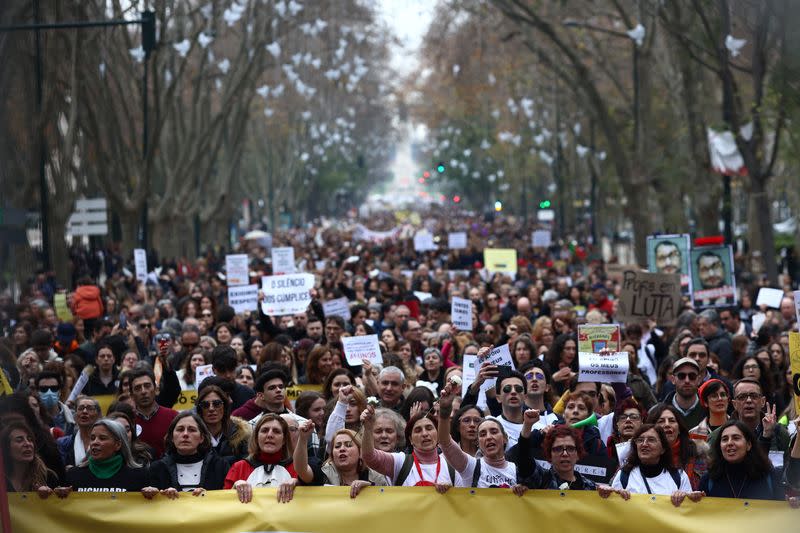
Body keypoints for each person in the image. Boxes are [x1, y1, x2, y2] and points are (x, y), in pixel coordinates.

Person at [437, 381, 519, 488]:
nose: (489, 437)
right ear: (478, 442)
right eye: (483, 434)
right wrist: (444, 411)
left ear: (505, 438)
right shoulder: (472, 467)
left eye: (494, 432)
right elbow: (445, 442)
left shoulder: (519, 469)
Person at [224, 414, 312, 503]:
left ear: (284, 440)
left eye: (276, 431)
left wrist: (298, 484)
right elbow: (224, 505)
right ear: (256, 437)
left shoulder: (298, 467)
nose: (270, 435)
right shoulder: (239, 467)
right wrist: (234, 487)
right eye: (264, 430)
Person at [361, 405, 456, 488]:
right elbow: (370, 457)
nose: (424, 434)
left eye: (429, 428)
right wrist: (368, 428)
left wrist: (450, 492)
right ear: (410, 439)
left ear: (438, 434)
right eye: (418, 430)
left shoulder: (453, 466)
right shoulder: (400, 462)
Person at [605, 424, 698, 505]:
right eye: (640, 440)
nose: (644, 444)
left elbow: (688, 512)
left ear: (663, 449)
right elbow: (613, 509)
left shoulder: (679, 476)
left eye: (651, 440)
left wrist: (684, 498)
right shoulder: (624, 475)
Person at [145, 412, 230, 497]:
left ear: (201, 438)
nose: (185, 434)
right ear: (171, 437)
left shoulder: (220, 466)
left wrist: (207, 496)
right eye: (180, 429)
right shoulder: (157, 468)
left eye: (192, 430)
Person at [56, 419, 149, 494]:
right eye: (92, 438)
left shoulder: (139, 476)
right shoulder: (73, 475)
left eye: (102, 438)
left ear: (117, 445)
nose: (95, 442)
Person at [699, 420, 785, 500]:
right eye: (725, 439)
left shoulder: (769, 476)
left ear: (748, 445)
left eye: (736, 438)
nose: (729, 443)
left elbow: (782, 511)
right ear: (720, 446)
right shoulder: (708, 480)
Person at [516, 419, 598, 491]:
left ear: (578, 453)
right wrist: (527, 425)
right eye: (558, 449)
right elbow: (524, 460)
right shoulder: (543, 479)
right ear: (549, 454)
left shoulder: (590, 487)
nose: (565, 454)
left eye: (570, 448)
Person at [309, 428, 388, 497]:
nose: (342, 449)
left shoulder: (376, 477)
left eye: (348, 445)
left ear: (360, 452)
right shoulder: (322, 474)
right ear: (332, 455)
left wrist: (369, 488)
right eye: (337, 446)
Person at [647, 404, 707, 490]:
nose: (667, 425)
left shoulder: (698, 454)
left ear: (679, 429)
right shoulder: (644, 455)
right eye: (661, 421)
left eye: (672, 421)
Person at [130, 367, 179, 459]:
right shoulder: (127, 421)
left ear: (156, 389)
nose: (143, 391)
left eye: (147, 386)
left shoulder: (174, 417)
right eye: (137, 388)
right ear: (132, 395)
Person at [196, 384, 251, 463]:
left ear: (225, 407)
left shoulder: (242, 436)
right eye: (205, 405)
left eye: (217, 404)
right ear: (200, 410)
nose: (211, 409)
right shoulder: (193, 436)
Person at [2, 419, 59, 492]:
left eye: (30, 439)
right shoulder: (2, 480)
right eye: (19, 440)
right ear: (7, 448)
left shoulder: (48, 477)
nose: (27, 444)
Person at [56, 395, 101, 468]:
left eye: (90, 408)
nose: (85, 411)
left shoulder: (105, 442)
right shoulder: (63, 443)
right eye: (81, 408)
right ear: (75, 415)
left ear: (98, 415)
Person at [661, 357, 705, 429]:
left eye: (692, 376)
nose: (687, 380)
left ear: (699, 379)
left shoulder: (709, 410)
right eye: (681, 376)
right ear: (673, 379)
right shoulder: (658, 413)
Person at [324, 385, 367, 452]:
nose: (347, 409)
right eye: (344, 405)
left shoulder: (370, 431)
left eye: (353, 404)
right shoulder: (332, 430)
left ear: (362, 406)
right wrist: (342, 403)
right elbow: (331, 439)